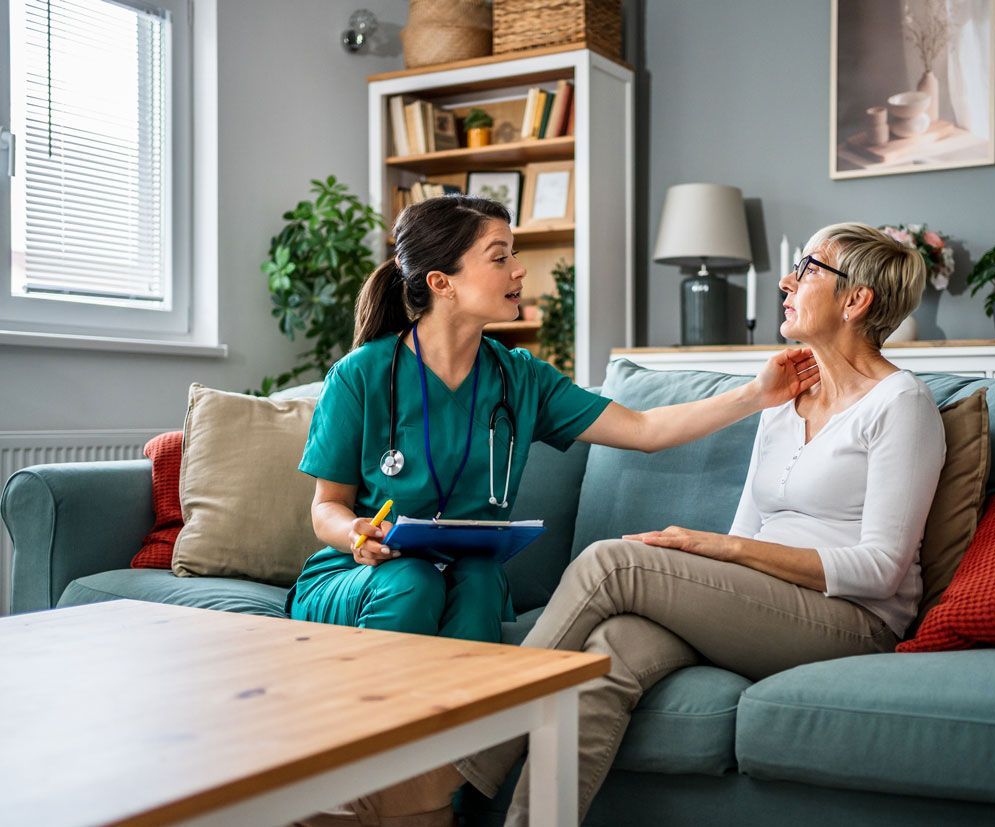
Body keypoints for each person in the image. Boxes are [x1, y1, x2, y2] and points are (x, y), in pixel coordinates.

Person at [316, 221, 948, 827]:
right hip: (763, 605)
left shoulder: (900, 404)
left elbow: (881, 570)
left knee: (610, 563)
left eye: (807, 268)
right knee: (608, 653)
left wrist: (714, 549)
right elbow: (748, 526)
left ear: (856, 299)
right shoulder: (785, 399)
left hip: (847, 619)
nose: (785, 281)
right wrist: (726, 531)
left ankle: (447, 769)